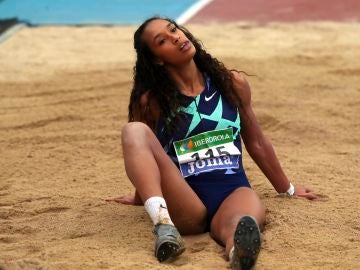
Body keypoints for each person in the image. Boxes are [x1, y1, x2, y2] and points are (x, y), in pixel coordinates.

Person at [106, 16, 318, 269]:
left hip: (233, 191)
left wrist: (288, 189)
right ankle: (163, 225)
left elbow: (256, 141)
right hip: (185, 201)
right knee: (134, 131)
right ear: (157, 59)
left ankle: (237, 253)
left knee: (241, 223)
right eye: (163, 40)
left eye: (174, 29)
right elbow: (144, 153)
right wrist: (144, 196)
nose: (176, 37)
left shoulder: (232, 84)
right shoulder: (151, 101)